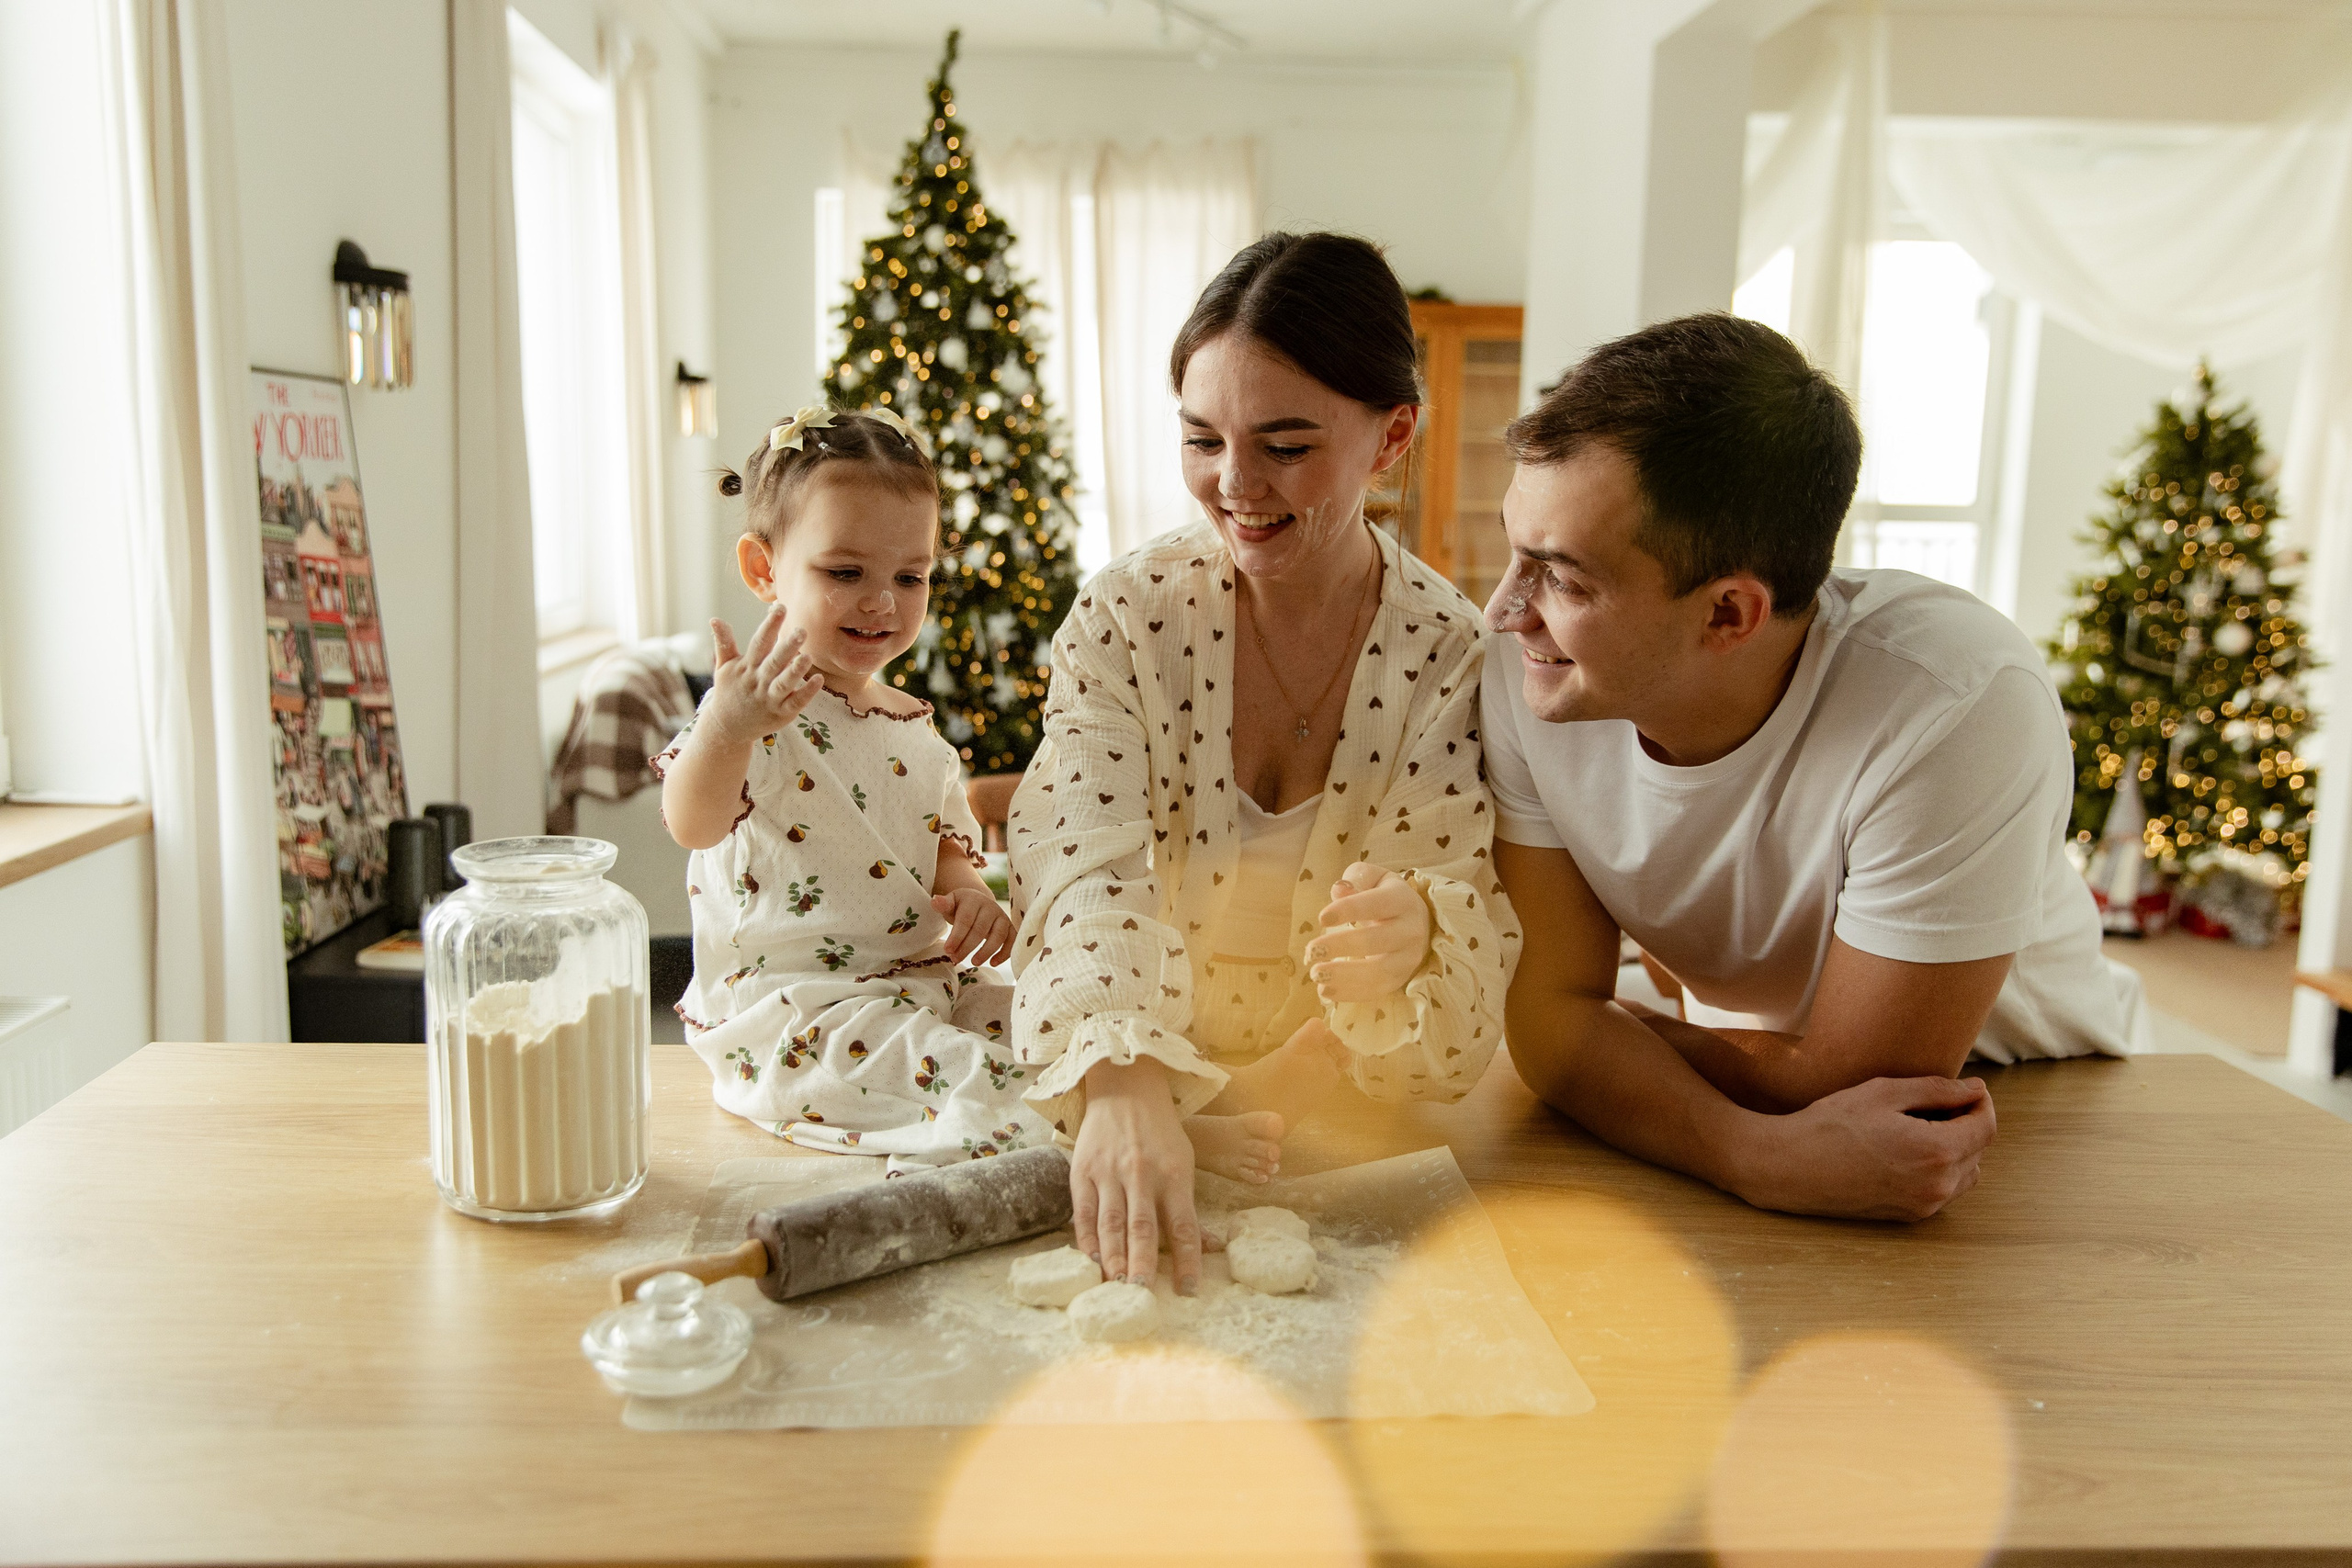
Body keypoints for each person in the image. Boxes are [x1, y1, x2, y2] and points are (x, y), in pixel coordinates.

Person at [1482, 313, 2125, 1223]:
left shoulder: (1953, 702)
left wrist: (1600, 1035)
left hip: (2023, 1113)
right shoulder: (1528, 675)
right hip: (1755, 1106)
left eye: (1563, 578)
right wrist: (1747, 1154)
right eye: (1514, 552)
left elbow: (1863, 1087)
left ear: (1729, 615)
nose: (1503, 610)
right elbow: (1547, 1026)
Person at [1008, 232, 1521, 1293]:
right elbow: (1082, 868)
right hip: (1124, 1072)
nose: (1234, 485)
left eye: (1286, 446)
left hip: (1339, 1125)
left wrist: (1415, 929)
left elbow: (1457, 937)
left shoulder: (1450, 654)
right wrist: (1123, 1079)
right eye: (1202, 439)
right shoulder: (1124, 615)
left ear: (1392, 437)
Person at [654, 406, 1053, 1171]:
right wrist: (729, 727)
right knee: (975, 1078)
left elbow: (939, 850)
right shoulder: (760, 714)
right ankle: (1149, 1145)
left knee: (1052, 1018)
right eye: (846, 573)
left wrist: (968, 892)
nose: (883, 601)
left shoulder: (916, 728)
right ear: (763, 567)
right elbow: (692, 822)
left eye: (911, 577)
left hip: (921, 986)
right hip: (801, 1019)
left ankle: (1151, 1110)